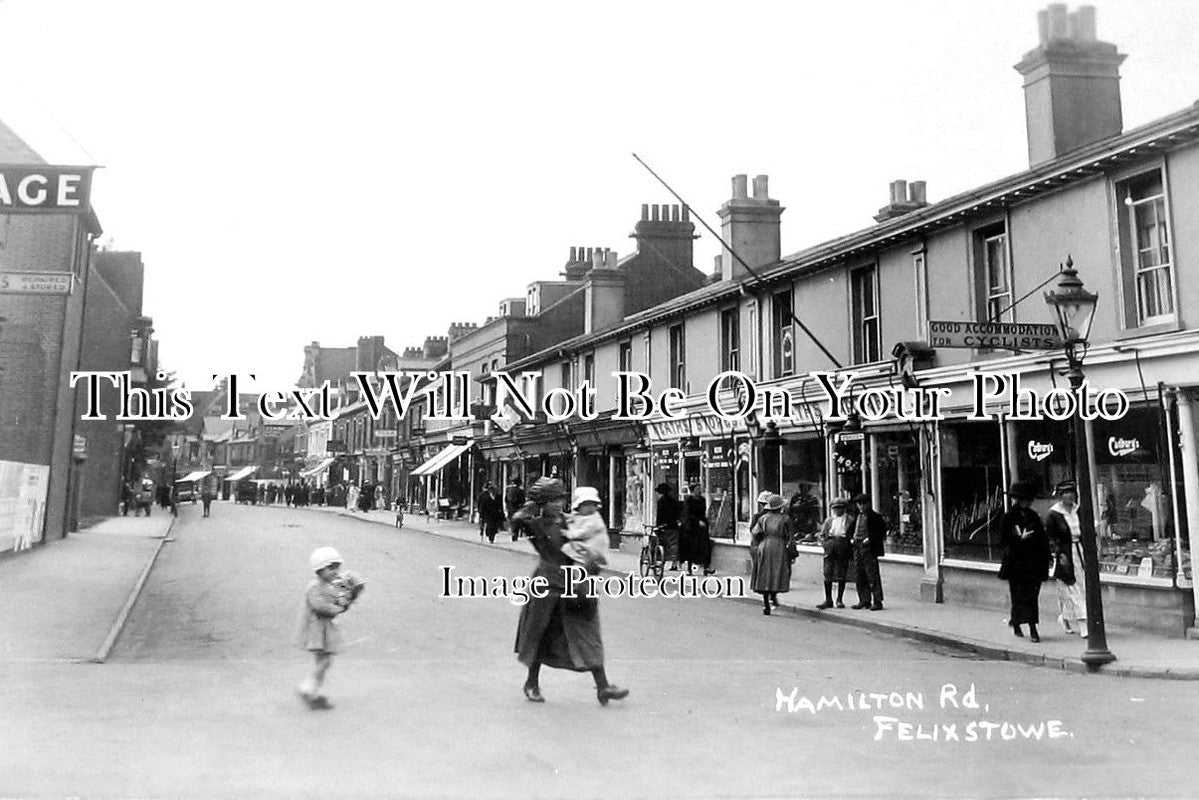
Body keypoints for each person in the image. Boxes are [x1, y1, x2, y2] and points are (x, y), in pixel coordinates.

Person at [514, 477, 627, 706]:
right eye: (552, 500)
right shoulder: (536, 525)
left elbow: (587, 547)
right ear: (542, 502)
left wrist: (592, 562)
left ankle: (603, 686)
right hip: (547, 585)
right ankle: (531, 683)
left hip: (576, 585)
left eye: (560, 499)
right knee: (540, 635)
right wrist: (534, 504)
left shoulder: (570, 521)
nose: (558, 504)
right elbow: (517, 519)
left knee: (588, 633)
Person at [296, 547, 365, 711]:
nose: (335, 572)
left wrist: (348, 598)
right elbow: (321, 606)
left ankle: (313, 693)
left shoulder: (328, 585)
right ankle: (307, 688)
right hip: (316, 628)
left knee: (324, 661)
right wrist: (339, 608)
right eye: (330, 568)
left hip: (324, 628)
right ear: (319, 569)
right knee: (325, 659)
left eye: (336, 567)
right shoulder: (315, 586)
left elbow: (337, 602)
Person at [998, 481, 1050, 642]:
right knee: (1019, 596)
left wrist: (1046, 557)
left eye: (1028, 499)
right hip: (1017, 564)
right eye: (1023, 499)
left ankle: (1031, 625)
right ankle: (1021, 624)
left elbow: (1042, 538)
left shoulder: (1033, 516)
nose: (1027, 502)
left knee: (1032, 596)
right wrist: (1020, 539)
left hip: (1033, 563)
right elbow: (1003, 541)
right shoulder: (1009, 517)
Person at [1044, 481, 1087, 637]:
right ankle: (1084, 624)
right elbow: (1050, 537)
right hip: (1066, 554)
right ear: (1060, 496)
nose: (1069, 496)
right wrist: (1057, 553)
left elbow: (1086, 529)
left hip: (1081, 551)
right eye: (1065, 493)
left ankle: (1065, 618)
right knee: (1073, 587)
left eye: (1072, 492)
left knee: (1083, 587)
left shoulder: (1079, 510)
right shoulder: (1054, 514)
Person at [750, 494, 795, 615]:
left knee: (764, 573)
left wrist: (757, 546)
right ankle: (773, 596)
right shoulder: (785, 519)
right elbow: (790, 537)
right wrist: (792, 553)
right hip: (779, 546)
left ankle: (766, 604)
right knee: (776, 572)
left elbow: (755, 533)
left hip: (764, 545)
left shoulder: (763, 518)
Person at [850, 493, 888, 611]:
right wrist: (851, 538)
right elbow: (850, 530)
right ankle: (864, 599)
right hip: (857, 547)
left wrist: (870, 539)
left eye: (863, 504)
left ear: (869, 504)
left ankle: (877, 601)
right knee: (859, 574)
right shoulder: (857, 517)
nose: (861, 507)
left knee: (872, 575)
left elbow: (881, 532)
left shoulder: (875, 517)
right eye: (858, 504)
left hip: (869, 548)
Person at [816, 497, 853, 609]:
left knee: (841, 572)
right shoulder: (829, 521)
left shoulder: (850, 520)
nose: (837, 511)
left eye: (840, 508)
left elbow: (852, 534)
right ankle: (828, 599)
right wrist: (825, 544)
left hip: (843, 544)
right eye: (835, 508)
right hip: (831, 544)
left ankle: (839, 599)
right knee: (828, 572)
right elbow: (822, 535)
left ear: (844, 508)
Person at [563, 486, 609, 570]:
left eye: (593, 504)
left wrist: (569, 534)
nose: (590, 507)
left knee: (569, 548)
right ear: (578, 506)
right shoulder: (581, 516)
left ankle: (590, 562)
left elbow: (585, 532)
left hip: (594, 546)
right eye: (586, 504)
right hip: (585, 547)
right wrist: (565, 516)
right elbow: (573, 518)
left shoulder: (594, 519)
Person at [680, 483, 714, 576]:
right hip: (691, 527)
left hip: (702, 527)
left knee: (705, 547)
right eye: (698, 489)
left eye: (700, 489)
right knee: (691, 548)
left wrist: (704, 521)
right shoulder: (688, 499)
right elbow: (688, 513)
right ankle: (689, 568)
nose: (700, 490)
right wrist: (697, 521)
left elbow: (703, 512)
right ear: (693, 490)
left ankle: (706, 567)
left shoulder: (702, 499)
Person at [654, 483, 681, 571]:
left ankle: (662, 561)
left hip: (664, 527)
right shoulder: (673, 501)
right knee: (674, 545)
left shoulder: (661, 502)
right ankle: (674, 564)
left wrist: (658, 526)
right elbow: (677, 514)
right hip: (673, 526)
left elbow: (659, 516)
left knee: (662, 544)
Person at [504, 478, 527, 542]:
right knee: (517, 522)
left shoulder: (508, 490)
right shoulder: (520, 491)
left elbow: (506, 499)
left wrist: (508, 506)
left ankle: (512, 532)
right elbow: (523, 500)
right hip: (517, 508)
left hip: (510, 508)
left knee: (512, 521)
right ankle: (515, 534)